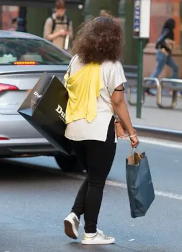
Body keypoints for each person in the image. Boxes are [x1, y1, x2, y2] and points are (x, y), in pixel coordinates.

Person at [61, 14, 139, 245]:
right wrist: (131, 130)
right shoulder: (113, 66)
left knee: (94, 175)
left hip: (74, 129)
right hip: (98, 128)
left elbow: (67, 89)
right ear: (114, 39)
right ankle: (90, 233)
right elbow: (118, 102)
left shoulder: (76, 60)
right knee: (97, 181)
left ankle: (75, 214)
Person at [147, 18, 179, 96]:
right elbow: (159, 42)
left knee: (175, 68)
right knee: (158, 70)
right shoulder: (167, 31)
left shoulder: (167, 30)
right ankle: (146, 87)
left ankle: (172, 87)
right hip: (162, 53)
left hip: (166, 54)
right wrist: (167, 48)